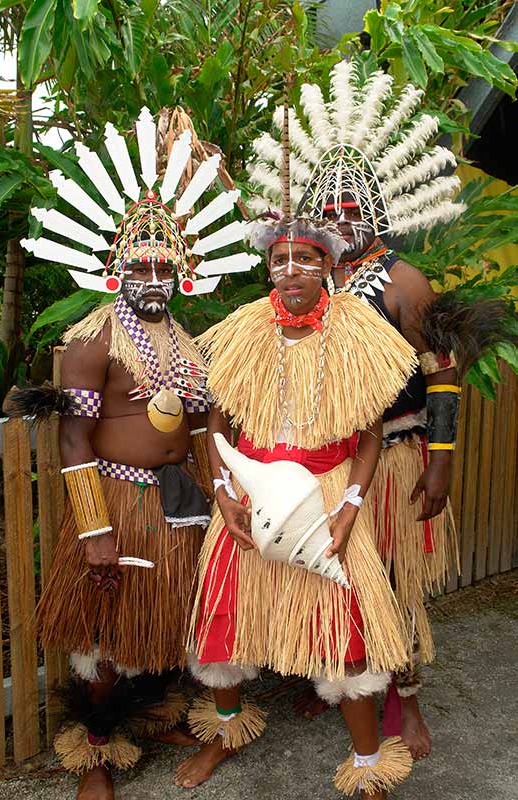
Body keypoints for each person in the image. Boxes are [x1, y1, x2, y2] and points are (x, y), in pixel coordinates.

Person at [248, 59, 509, 761]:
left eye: (349, 211)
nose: (339, 221)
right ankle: (337, 675)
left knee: (391, 584)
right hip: (319, 461)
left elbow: (444, 374)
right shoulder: (309, 279)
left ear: (376, 213)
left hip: (391, 457)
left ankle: (408, 701)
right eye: (326, 213)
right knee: (325, 576)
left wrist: (440, 464)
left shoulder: (402, 280)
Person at [12, 108, 252, 800]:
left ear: (182, 273)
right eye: (139, 267)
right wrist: (93, 529)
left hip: (178, 498)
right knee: (103, 628)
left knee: (165, 616)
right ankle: (95, 755)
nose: (152, 279)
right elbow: (72, 437)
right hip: (115, 499)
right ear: (116, 270)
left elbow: (205, 430)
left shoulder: (186, 342)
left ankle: (149, 717)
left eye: (163, 268)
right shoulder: (93, 339)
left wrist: (223, 494)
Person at [175, 207, 419, 798]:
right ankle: (226, 732)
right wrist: (225, 490)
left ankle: (367, 763)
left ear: (328, 266)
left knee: (347, 627)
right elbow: (218, 417)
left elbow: (368, 434)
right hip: (249, 493)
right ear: (268, 270)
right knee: (224, 617)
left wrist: (351, 504)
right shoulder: (244, 328)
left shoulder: (359, 332)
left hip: (327, 492)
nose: (291, 270)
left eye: (306, 259)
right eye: (280, 260)